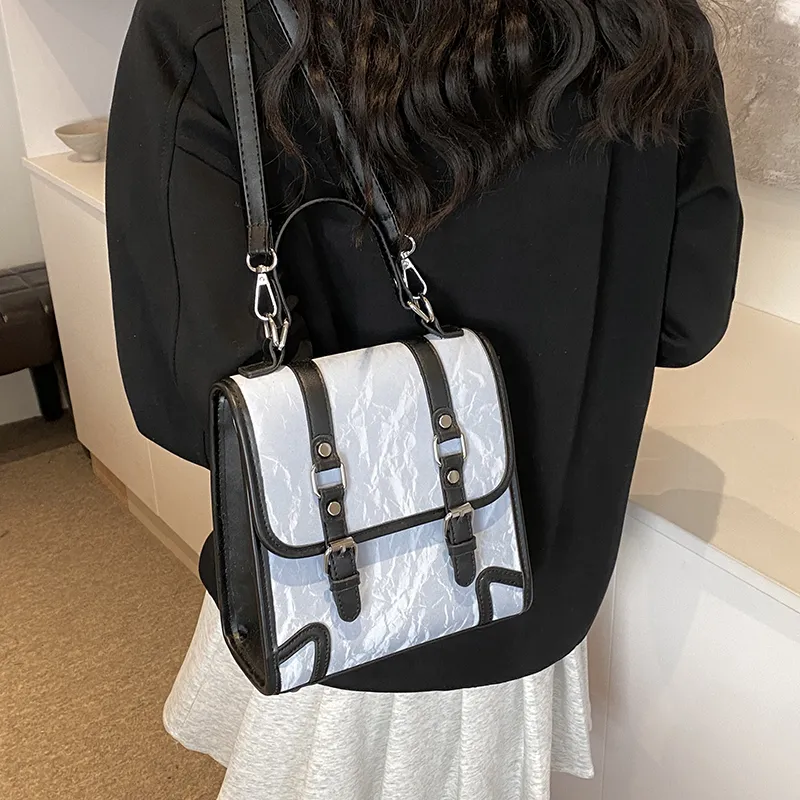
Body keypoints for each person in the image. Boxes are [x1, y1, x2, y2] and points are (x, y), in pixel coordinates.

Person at [105, 0, 742, 797]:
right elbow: (684, 322)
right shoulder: (648, 20)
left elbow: (187, 395)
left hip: (334, 594)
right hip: (528, 587)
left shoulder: (213, 19)